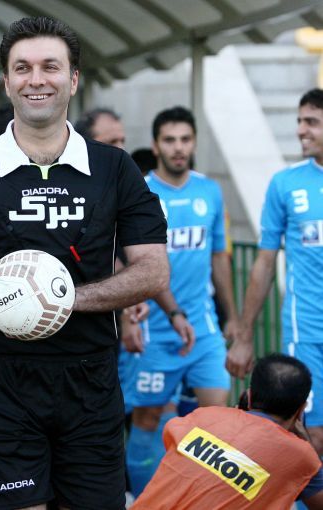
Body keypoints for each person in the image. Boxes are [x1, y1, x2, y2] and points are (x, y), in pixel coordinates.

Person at [0, 16, 169, 509]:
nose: (37, 79)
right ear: (6, 82)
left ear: (73, 79)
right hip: (1, 381)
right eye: (23, 68)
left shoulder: (114, 168)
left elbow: (152, 270)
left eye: (50, 67)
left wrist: (59, 301)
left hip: (91, 380)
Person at [124, 106, 238, 496]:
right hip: (155, 332)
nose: (178, 148)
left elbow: (219, 258)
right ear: (156, 145)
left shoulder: (210, 191)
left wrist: (232, 317)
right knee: (147, 418)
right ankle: (143, 500)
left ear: (194, 143)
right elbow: (134, 263)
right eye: (170, 140)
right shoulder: (141, 191)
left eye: (185, 139)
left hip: (203, 328)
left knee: (217, 422)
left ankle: (203, 500)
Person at [228, 88, 323, 455]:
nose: (300, 130)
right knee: (313, 436)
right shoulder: (286, 183)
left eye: (311, 122)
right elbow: (265, 262)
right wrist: (244, 336)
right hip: (307, 331)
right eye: (299, 121)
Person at [132, 353, 323, 509]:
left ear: (248, 396)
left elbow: (171, 437)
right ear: (301, 410)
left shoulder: (203, 417)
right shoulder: (299, 455)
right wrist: (306, 442)